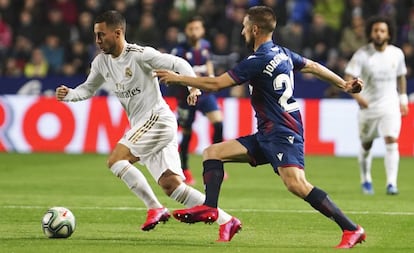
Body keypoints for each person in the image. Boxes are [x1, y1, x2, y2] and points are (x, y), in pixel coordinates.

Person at [156, 6, 366, 249]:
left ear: (254, 29)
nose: (243, 31)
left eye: (245, 26)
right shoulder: (283, 53)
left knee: (297, 185)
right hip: (268, 132)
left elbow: (215, 84)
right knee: (212, 153)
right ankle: (210, 208)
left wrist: (179, 78)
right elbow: (313, 66)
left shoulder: (256, 61)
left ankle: (352, 228)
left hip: (282, 132)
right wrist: (343, 84)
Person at [55, 10, 241, 242]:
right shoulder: (101, 62)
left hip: (157, 119)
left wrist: (193, 88)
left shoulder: (140, 55)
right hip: (145, 125)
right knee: (172, 186)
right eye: (96, 35)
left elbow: (180, 63)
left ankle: (154, 207)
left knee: (116, 160)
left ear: (118, 32)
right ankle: (227, 220)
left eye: (101, 35)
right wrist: (70, 94)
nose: (97, 41)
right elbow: (88, 89)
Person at [344, 15, 408, 195]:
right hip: (368, 107)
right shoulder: (362, 54)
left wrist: (403, 98)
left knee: (391, 140)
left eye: (382, 31)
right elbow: (348, 78)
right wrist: (358, 98)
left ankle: (391, 183)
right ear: (371, 33)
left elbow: (401, 76)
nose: (379, 34)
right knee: (366, 144)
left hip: (390, 104)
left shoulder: (397, 53)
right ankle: (366, 179)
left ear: (388, 34)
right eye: (376, 30)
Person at [169, 15, 224, 185]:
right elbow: (175, 74)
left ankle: (216, 162)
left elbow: (208, 62)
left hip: (205, 95)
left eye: (197, 28)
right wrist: (190, 81)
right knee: (186, 133)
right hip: (186, 98)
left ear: (203, 30)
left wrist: (212, 76)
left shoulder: (206, 46)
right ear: (186, 31)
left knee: (218, 123)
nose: (194, 32)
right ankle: (184, 168)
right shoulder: (179, 51)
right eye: (191, 29)